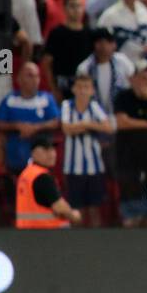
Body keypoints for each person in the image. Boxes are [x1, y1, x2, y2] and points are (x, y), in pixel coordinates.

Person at [59, 70, 112, 226]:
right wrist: (91, 126)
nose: (82, 91)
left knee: (95, 208)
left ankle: (97, 242)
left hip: (94, 166)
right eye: (79, 87)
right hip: (73, 168)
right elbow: (67, 128)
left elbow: (108, 127)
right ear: (74, 89)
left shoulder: (94, 107)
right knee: (76, 209)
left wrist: (84, 124)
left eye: (86, 87)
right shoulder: (67, 105)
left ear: (92, 90)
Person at [0, 63, 60, 179]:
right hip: (16, 158)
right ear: (19, 79)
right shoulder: (10, 99)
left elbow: (56, 122)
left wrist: (35, 128)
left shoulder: (46, 99)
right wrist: (17, 126)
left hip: (42, 160)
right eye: (30, 76)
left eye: (37, 76)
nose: (35, 80)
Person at [15, 134, 81, 228]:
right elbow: (59, 208)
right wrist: (74, 216)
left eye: (53, 149)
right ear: (34, 153)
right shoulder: (42, 177)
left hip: (28, 233)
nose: (52, 154)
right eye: (46, 150)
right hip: (47, 233)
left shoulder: (26, 174)